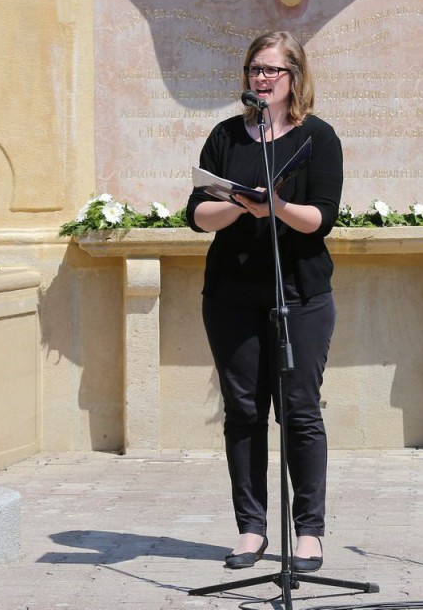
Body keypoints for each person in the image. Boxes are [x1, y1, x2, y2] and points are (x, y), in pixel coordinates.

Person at [185, 31, 343, 573]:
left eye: (272, 69)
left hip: (299, 293)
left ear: (295, 76)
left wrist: (274, 206)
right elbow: (197, 214)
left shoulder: (317, 138)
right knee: (245, 413)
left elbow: (321, 217)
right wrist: (239, 204)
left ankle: (309, 533)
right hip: (231, 294)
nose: (262, 78)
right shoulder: (226, 136)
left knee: (299, 412)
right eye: (255, 68)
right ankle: (251, 529)